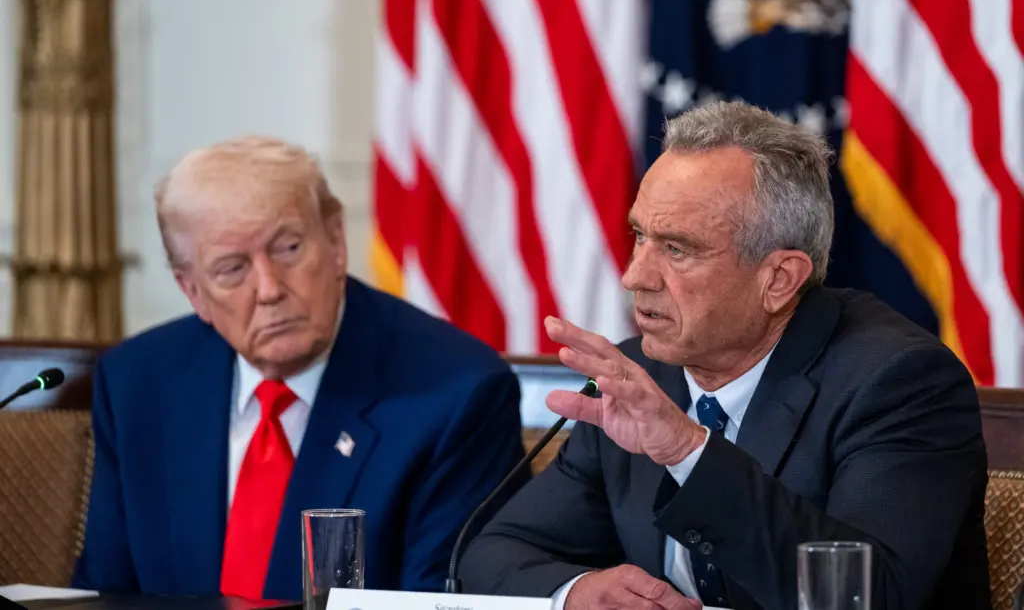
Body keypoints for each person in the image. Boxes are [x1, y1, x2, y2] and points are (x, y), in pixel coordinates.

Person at [459, 101, 991, 610]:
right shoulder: (642, 375)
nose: (634, 277)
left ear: (779, 280)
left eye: (676, 249)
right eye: (639, 236)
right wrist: (575, 593)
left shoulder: (899, 382)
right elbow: (489, 554)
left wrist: (688, 451)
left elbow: (871, 595)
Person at [72, 136, 528, 601]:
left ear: (335, 241)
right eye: (232, 269)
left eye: (288, 248)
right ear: (193, 292)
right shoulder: (138, 383)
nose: (269, 288)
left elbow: (438, 602)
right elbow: (106, 594)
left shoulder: (457, 393)